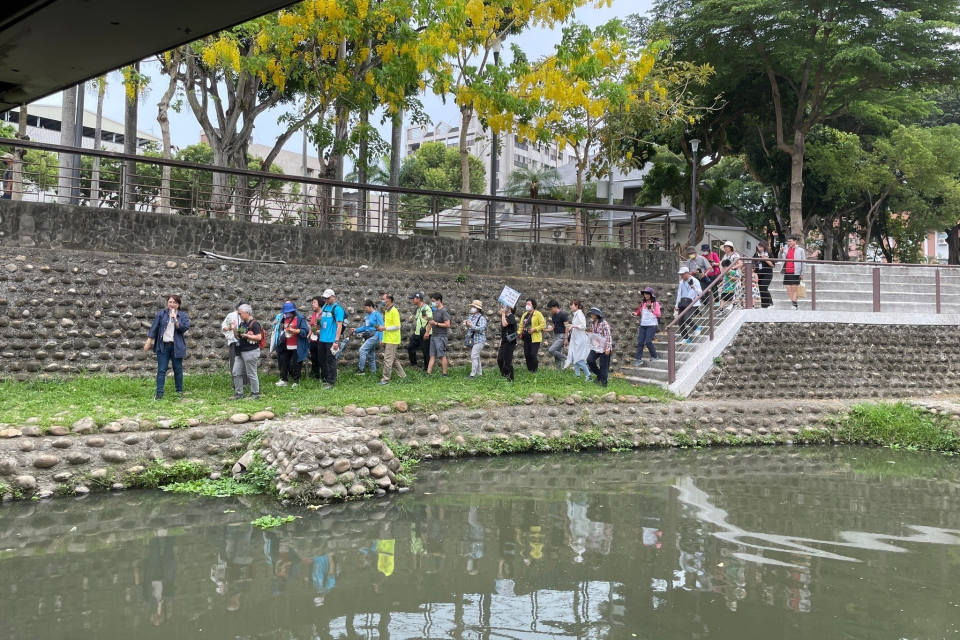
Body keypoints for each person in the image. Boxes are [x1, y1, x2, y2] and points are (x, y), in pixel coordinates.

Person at [144, 295, 190, 401]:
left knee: (177, 369)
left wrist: (176, 320)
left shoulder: (183, 315)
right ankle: (159, 393)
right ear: (167, 303)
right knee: (161, 369)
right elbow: (154, 328)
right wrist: (149, 341)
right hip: (163, 346)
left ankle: (179, 391)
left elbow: (184, 328)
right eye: (170, 302)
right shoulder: (161, 314)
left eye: (174, 302)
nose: (172, 304)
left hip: (176, 346)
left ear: (178, 304)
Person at [229, 303, 263, 400]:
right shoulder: (242, 323)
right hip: (240, 351)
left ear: (247, 313)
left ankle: (255, 393)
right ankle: (239, 393)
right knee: (235, 372)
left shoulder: (254, 323)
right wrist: (234, 328)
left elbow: (258, 337)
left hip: (251, 351)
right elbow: (237, 336)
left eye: (240, 314)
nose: (239, 315)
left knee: (251, 373)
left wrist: (247, 335)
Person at [275, 301, 309, 387]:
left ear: (293, 311)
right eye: (285, 312)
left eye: (288, 312)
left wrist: (295, 331)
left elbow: (305, 331)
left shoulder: (300, 318)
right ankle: (283, 379)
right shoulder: (284, 318)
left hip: (297, 345)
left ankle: (296, 381)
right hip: (286, 344)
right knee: (284, 362)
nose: (287, 314)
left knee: (296, 363)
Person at [318, 289, 345, 389]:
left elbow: (339, 326)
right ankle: (325, 378)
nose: (326, 300)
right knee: (321, 359)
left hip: (331, 339)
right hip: (322, 338)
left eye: (328, 298)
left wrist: (336, 341)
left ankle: (331, 382)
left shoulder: (337, 309)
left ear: (333, 296)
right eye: (325, 298)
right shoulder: (325, 306)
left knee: (331, 360)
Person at [377, 293, 406, 385]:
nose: (382, 301)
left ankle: (385, 379)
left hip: (393, 339)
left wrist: (384, 328)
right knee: (393, 359)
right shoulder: (387, 311)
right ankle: (403, 376)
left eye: (383, 299)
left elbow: (397, 326)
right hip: (388, 338)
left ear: (388, 300)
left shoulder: (394, 311)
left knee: (388, 359)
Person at [352, 299, 384, 376]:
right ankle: (374, 373)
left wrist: (381, 339)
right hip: (368, 336)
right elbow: (364, 327)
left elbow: (381, 327)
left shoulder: (377, 314)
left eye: (366, 308)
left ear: (370, 307)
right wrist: (356, 330)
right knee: (371, 355)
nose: (365, 310)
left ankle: (361, 370)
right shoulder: (368, 316)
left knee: (362, 350)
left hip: (375, 336)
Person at [221, 300, 248, 387]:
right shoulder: (231, 315)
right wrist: (229, 328)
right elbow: (224, 326)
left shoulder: (247, 315)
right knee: (234, 362)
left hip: (244, 342)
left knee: (245, 362)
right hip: (234, 342)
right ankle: (236, 384)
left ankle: (245, 382)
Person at [564, 299, 591, 381]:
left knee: (578, 358)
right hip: (575, 339)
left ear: (576, 306)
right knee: (573, 357)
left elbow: (583, 326)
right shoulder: (576, 314)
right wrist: (571, 325)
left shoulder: (580, 314)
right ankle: (577, 375)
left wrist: (574, 326)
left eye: (571, 305)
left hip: (580, 340)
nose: (570, 306)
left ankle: (588, 376)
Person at [674, 267, 702, 343]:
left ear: (687, 273)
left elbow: (700, 292)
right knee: (680, 321)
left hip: (693, 303)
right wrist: (676, 305)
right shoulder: (681, 282)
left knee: (687, 318)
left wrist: (694, 287)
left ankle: (696, 327)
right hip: (683, 303)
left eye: (682, 274)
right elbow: (679, 294)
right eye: (680, 274)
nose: (681, 276)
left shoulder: (695, 281)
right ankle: (685, 338)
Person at [634, 288, 660, 367]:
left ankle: (654, 355)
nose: (646, 295)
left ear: (651, 295)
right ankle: (638, 359)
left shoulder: (655, 304)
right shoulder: (642, 303)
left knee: (648, 341)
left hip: (652, 325)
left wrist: (652, 310)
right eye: (645, 294)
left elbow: (658, 314)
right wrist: (634, 314)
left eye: (648, 294)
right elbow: (638, 312)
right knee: (640, 342)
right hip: (643, 325)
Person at [586, 307, 612, 388]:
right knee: (590, 360)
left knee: (604, 365)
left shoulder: (604, 324)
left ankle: (604, 382)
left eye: (593, 314)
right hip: (596, 346)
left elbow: (608, 336)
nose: (591, 315)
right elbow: (594, 335)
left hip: (604, 347)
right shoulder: (593, 324)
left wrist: (607, 348)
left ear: (597, 315)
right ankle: (599, 374)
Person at [518, 298, 546, 373]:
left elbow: (543, 325)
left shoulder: (538, 314)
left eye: (529, 304)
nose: (527, 305)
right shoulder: (524, 315)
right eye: (526, 304)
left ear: (533, 305)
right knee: (527, 354)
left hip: (535, 338)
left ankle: (535, 371)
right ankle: (530, 370)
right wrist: (519, 333)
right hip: (526, 337)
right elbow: (521, 325)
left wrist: (535, 329)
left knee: (533, 354)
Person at [426, 293, 451, 376]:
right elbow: (431, 323)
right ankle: (428, 373)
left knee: (441, 355)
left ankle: (445, 373)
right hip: (434, 335)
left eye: (433, 301)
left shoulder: (444, 311)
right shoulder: (435, 311)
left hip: (441, 336)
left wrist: (436, 323)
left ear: (439, 300)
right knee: (432, 355)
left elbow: (447, 324)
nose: (432, 303)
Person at [407, 292, 432, 370]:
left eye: (413, 298)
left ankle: (427, 370)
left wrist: (427, 333)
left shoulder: (427, 308)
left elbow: (430, 321)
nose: (412, 300)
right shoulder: (418, 309)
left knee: (426, 352)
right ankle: (414, 365)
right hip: (417, 333)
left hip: (425, 333)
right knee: (410, 347)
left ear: (418, 299)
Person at [463, 300, 487, 378]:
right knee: (476, 357)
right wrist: (466, 324)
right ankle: (479, 373)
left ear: (478, 309)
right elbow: (468, 326)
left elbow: (481, 329)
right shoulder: (470, 317)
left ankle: (472, 374)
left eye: (473, 307)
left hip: (479, 340)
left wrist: (471, 326)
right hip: (472, 339)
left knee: (473, 356)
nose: (472, 308)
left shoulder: (482, 318)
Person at [781, 235, 806, 310]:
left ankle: (794, 304)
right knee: (788, 288)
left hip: (795, 271)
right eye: (788, 241)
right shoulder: (786, 250)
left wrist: (802, 273)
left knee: (794, 288)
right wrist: (780, 251)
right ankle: (794, 303)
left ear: (795, 241)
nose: (789, 243)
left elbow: (803, 262)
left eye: (790, 241)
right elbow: (780, 258)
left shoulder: (800, 250)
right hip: (787, 271)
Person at [544, 300, 568, 370]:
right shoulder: (554, 316)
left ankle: (566, 359)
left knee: (551, 350)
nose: (550, 311)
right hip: (556, 335)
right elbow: (553, 328)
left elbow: (567, 327)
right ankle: (559, 372)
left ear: (556, 307)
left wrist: (566, 338)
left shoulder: (562, 315)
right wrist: (543, 330)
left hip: (562, 336)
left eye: (551, 309)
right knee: (557, 355)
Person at [497, 304, 518, 382]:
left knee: (507, 361)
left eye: (506, 306)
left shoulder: (511, 316)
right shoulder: (505, 317)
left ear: (509, 308)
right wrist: (501, 340)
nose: (503, 307)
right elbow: (504, 330)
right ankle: (504, 375)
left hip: (510, 342)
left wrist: (503, 314)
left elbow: (505, 324)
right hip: (504, 341)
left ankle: (510, 379)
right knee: (500, 359)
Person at [754, 241, 775, 308]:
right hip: (759, 273)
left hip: (767, 273)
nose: (760, 248)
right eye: (759, 247)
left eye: (761, 247)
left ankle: (770, 303)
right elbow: (753, 262)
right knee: (760, 289)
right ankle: (764, 305)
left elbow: (772, 265)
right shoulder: (756, 254)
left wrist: (765, 259)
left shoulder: (769, 254)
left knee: (764, 287)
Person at [307, 296, 324, 380]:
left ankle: (323, 376)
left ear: (320, 304)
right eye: (312, 303)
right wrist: (308, 335)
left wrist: (318, 332)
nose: (312, 304)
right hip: (313, 340)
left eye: (314, 302)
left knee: (321, 358)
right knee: (313, 358)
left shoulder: (324, 315)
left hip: (321, 340)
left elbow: (326, 328)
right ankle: (315, 375)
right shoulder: (313, 314)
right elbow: (312, 326)